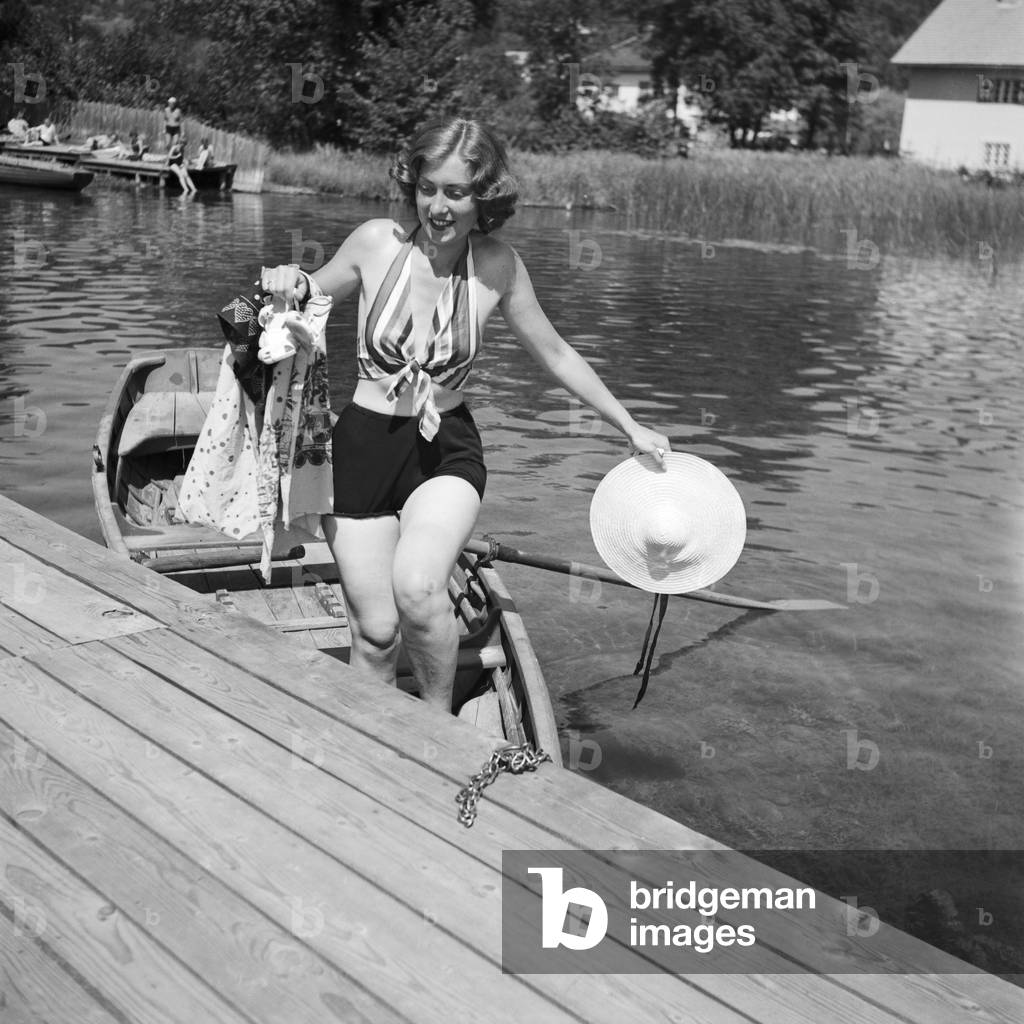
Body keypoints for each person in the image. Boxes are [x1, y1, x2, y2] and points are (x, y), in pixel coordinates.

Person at [260, 117, 670, 714]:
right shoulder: (377, 241)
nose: (439, 206)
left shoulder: (498, 266)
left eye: (456, 192)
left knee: (421, 589)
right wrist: (287, 282)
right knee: (375, 634)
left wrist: (628, 425)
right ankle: (368, 748)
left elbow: (555, 353)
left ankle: (438, 725)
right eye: (429, 188)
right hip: (361, 446)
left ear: (484, 198)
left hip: (444, 449)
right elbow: (308, 296)